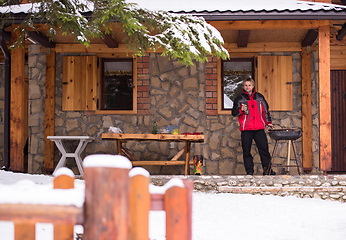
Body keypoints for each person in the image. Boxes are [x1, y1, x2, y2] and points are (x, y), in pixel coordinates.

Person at [232, 77, 276, 175]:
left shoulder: (260, 97)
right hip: (246, 129)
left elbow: (265, 111)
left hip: (259, 128)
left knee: (264, 150)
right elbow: (234, 113)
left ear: (253, 86)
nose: (248, 87)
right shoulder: (239, 99)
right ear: (243, 86)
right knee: (246, 151)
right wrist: (241, 110)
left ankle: (267, 170)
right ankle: (249, 172)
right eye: (246, 85)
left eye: (249, 85)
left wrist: (268, 122)